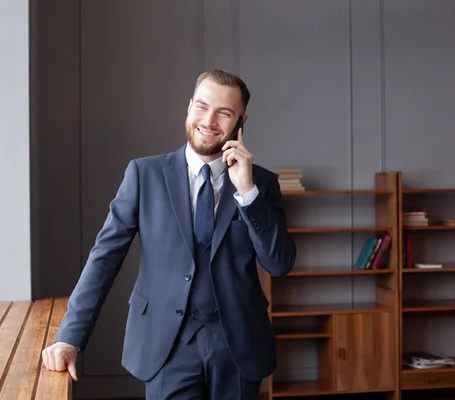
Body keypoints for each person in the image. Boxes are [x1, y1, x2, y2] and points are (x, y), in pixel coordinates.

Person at [41, 69, 296, 399]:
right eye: (202, 107)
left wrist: (246, 190)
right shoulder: (143, 175)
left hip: (238, 346)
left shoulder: (261, 184)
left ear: (241, 122)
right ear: (189, 107)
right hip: (166, 346)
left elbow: (279, 264)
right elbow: (104, 258)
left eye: (224, 112)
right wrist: (69, 337)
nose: (209, 120)